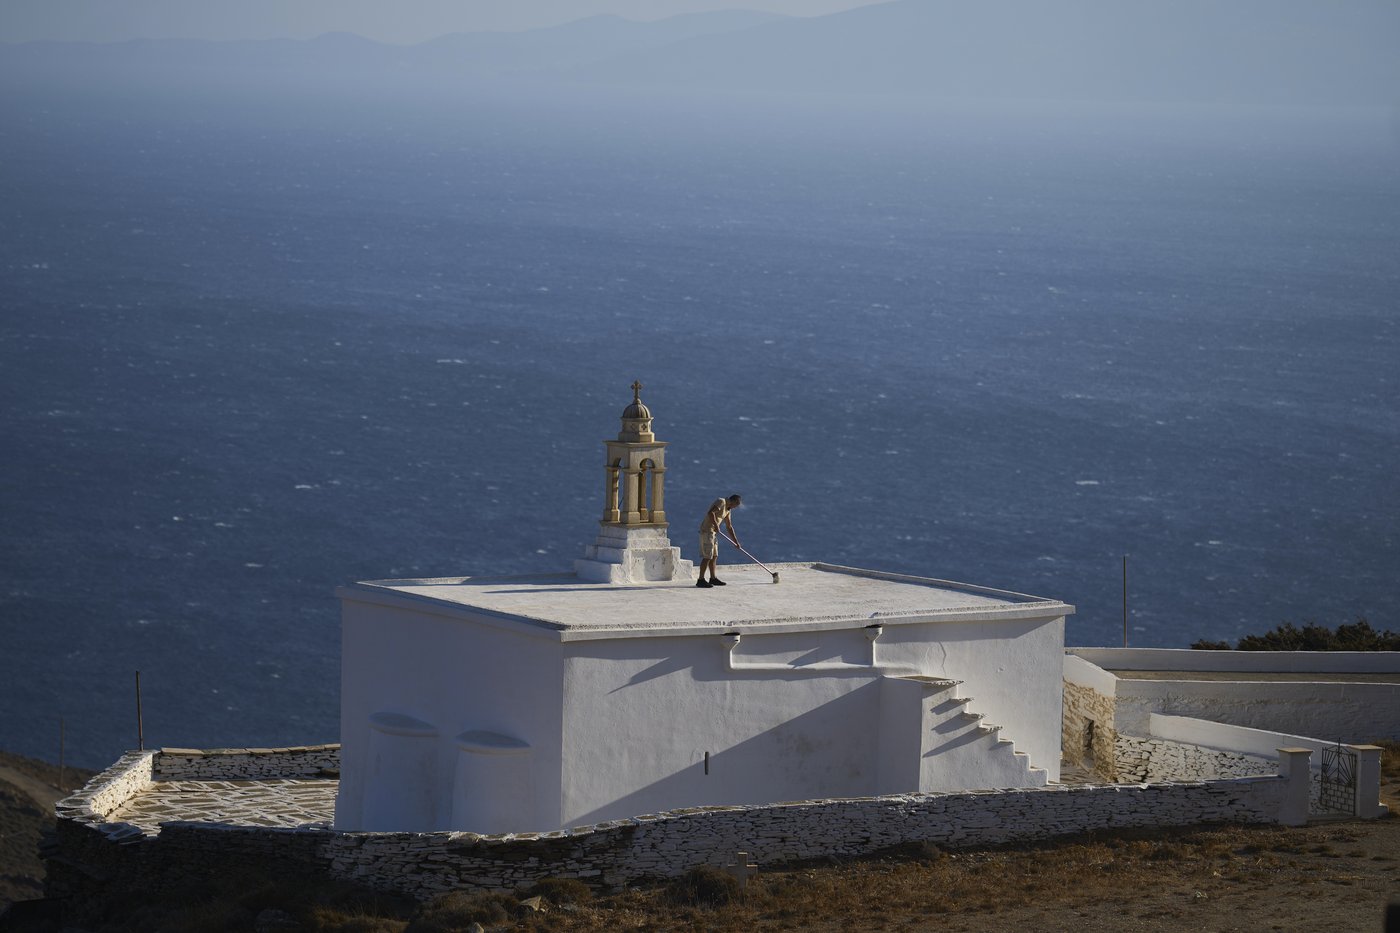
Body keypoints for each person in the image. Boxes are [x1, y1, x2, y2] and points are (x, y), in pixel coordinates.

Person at [697, 494, 742, 588]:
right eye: (736, 505)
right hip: (707, 531)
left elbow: (729, 527)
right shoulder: (721, 502)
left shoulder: (728, 510)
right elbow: (711, 513)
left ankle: (713, 578)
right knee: (707, 556)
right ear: (732, 501)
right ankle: (700, 580)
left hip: (713, 533)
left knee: (714, 556)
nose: (735, 507)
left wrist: (736, 542)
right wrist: (716, 526)